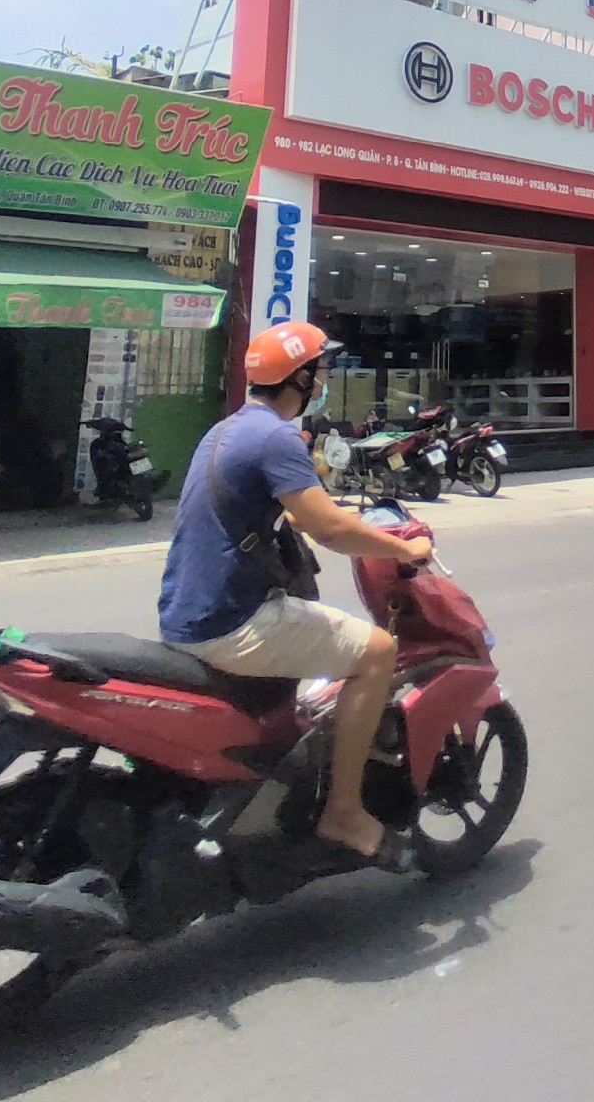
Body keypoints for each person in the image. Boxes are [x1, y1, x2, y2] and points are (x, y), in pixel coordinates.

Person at [158, 321, 433, 869]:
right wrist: (405, 549)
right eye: (321, 372)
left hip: (185, 613)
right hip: (234, 622)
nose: (325, 381)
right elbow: (327, 527)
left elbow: (298, 516)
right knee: (377, 652)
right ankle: (344, 813)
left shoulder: (225, 431)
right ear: (300, 379)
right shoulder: (276, 437)